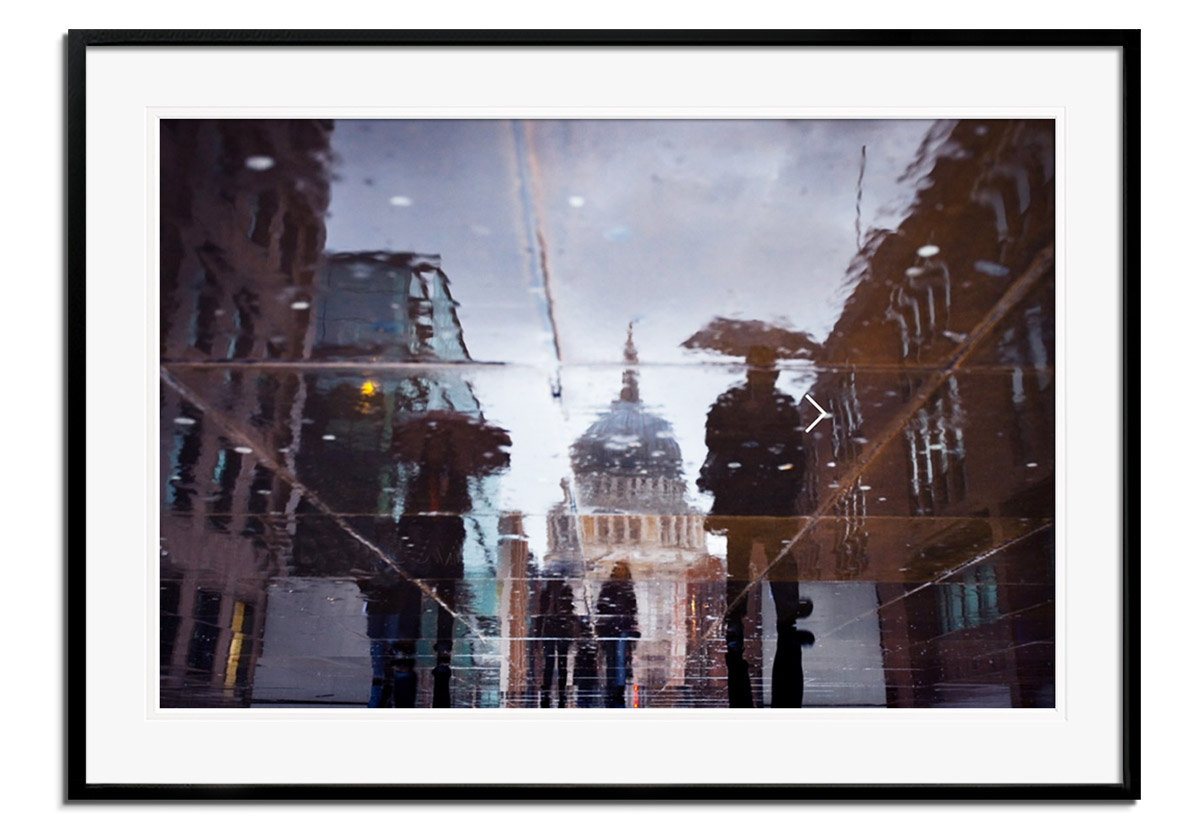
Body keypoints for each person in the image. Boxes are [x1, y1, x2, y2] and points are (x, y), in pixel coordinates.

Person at [698, 345, 815, 707]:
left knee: (758, 555)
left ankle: (758, 615)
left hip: (753, 493)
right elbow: (795, 447)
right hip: (757, 491)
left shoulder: (749, 402)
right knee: (761, 554)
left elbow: (795, 447)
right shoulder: (764, 403)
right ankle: (763, 613)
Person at [594, 561, 639, 708]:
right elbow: (632, 609)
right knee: (619, 660)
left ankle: (612, 687)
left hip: (610, 628)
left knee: (612, 659)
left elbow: (600, 607)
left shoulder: (609, 587)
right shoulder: (627, 587)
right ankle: (617, 688)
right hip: (621, 627)